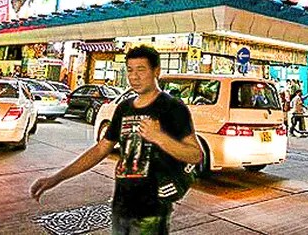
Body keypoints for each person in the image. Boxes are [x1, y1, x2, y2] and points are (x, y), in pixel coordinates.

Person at [30, 46, 202, 234]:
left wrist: (159, 137)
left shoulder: (172, 107)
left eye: (141, 70)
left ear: (156, 72)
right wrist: (56, 178)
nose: (134, 76)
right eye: (130, 70)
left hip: (151, 210)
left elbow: (195, 155)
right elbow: (100, 150)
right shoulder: (124, 108)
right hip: (121, 205)